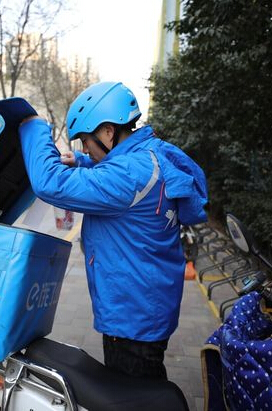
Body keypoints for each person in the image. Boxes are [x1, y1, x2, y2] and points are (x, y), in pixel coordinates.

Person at [18, 81, 208, 379]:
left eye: (85, 141)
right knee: (143, 388)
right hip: (148, 306)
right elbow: (118, 169)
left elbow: (49, 183)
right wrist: (82, 161)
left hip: (133, 319)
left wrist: (33, 126)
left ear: (108, 132)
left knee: (134, 396)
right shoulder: (149, 154)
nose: (84, 149)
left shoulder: (128, 174)